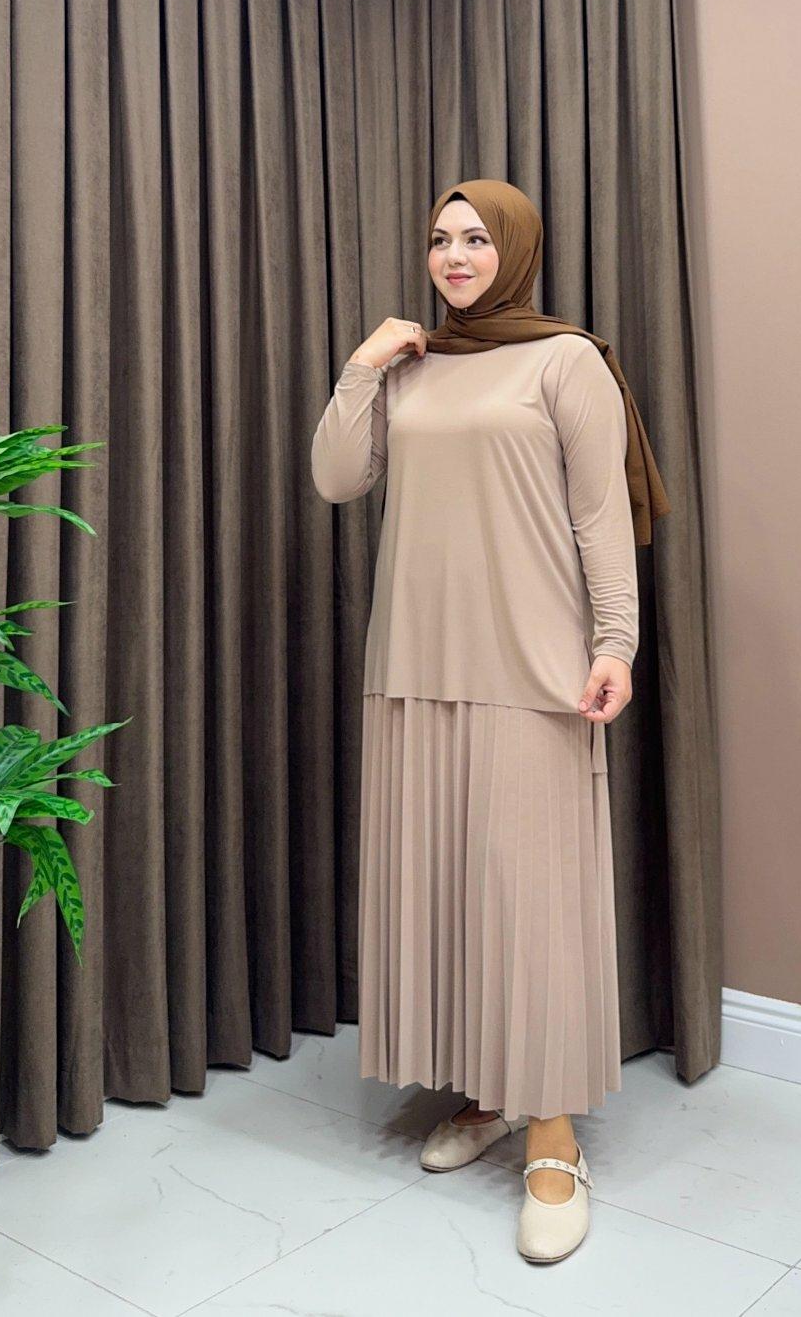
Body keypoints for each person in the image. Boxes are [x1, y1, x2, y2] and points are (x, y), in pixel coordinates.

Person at [311, 178, 669, 1263]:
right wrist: (363, 367)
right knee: (450, 889)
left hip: (533, 664)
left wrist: (615, 642)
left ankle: (553, 1138)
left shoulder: (566, 361)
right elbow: (338, 478)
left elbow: (600, 513)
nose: (455, 255)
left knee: (531, 903)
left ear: (513, 248)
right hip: (415, 660)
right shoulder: (413, 365)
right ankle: (490, 1092)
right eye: (439, 239)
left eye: (475, 238)